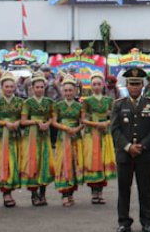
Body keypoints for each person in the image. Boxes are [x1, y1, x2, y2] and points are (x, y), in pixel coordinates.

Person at [111, 67, 150, 232]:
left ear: (143, 85)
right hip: (124, 155)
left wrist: (142, 146)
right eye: (132, 84)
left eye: (138, 84)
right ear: (127, 84)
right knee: (124, 189)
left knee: (145, 189)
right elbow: (115, 129)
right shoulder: (118, 104)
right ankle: (124, 222)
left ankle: (147, 221)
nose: (134, 87)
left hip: (144, 154)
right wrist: (128, 146)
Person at [80, 72, 118, 205]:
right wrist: (96, 124)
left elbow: (114, 117)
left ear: (103, 85)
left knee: (103, 161)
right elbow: (83, 119)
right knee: (93, 161)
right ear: (90, 86)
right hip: (91, 134)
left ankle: (100, 192)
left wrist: (106, 123)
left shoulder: (109, 100)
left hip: (105, 134)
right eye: (94, 84)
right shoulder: (87, 101)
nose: (96, 86)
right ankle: (94, 193)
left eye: (99, 84)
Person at [0, 71, 23, 208]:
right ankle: (6, 193)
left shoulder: (20, 102)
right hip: (0, 137)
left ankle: (9, 191)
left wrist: (18, 122)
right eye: (6, 87)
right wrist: (5, 123)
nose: (9, 89)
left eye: (11, 86)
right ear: (2, 87)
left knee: (13, 163)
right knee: (2, 164)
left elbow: (24, 118)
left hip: (14, 137)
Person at [20, 70, 55, 206]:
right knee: (33, 164)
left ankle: (43, 194)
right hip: (31, 137)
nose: (39, 89)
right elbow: (23, 121)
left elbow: (53, 117)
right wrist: (36, 122)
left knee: (44, 164)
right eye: (37, 87)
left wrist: (48, 123)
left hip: (44, 136)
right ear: (32, 88)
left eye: (42, 87)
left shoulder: (49, 102)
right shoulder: (27, 103)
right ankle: (34, 195)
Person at [52, 74, 84, 206]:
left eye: (70, 90)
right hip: (62, 138)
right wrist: (65, 128)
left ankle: (71, 193)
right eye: (65, 90)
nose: (68, 93)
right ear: (62, 91)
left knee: (74, 163)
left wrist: (76, 130)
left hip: (75, 138)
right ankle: (64, 193)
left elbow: (82, 122)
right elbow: (53, 122)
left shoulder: (79, 106)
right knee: (63, 164)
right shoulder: (58, 105)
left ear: (75, 91)